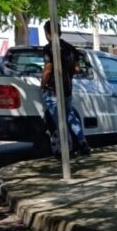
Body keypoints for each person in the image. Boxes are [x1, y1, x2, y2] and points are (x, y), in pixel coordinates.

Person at [41, 20, 91, 157]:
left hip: (53, 90)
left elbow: (48, 69)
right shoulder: (70, 48)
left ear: (47, 33)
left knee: (60, 122)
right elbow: (77, 68)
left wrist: (42, 84)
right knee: (70, 117)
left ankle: (67, 150)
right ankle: (82, 142)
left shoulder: (48, 49)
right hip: (67, 89)